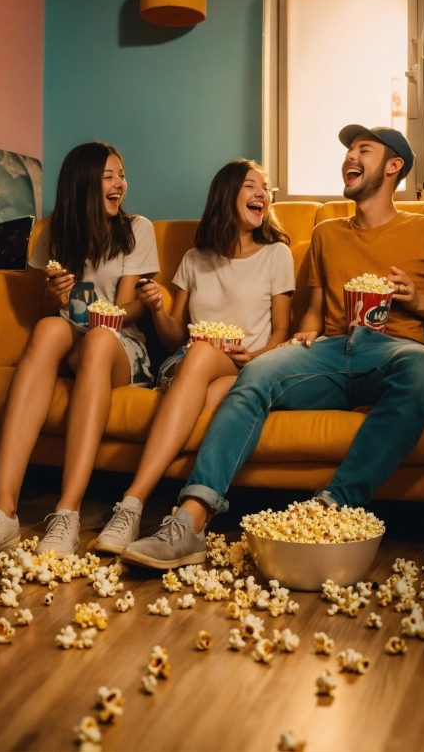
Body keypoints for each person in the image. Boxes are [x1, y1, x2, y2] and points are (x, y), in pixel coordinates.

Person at [121, 125, 424, 570]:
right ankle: (189, 522)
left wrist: (417, 300)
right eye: (348, 151)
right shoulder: (328, 233)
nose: (350, 157)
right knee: (255, 377)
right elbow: (315, 310)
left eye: (364, 150)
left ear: (394, 166)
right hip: (328, 350)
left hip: (394, 351)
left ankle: (335, 507)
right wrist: (303, 333)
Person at [0, 141, 160, 565]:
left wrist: (104, 321)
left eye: (121, 175)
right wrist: (54, 295)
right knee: (48, 328)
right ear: (83, 183)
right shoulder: (54, 234)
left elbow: (129, 306)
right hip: (72, 336)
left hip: (118, 343)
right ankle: (2, 510)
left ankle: (66, 511)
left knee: (100, 339)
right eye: (108, 176)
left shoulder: (137, 228)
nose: (119, 183)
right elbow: (50, 312)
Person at [95, 158, 295, 556]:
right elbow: (174, 338)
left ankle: (133, 501)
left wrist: (253, 354)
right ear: (227, 194)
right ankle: (158, 512)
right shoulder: (194, 259)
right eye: (252, 185)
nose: (263, 194)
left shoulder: (277, 256)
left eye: (266, 188)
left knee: (220, 380)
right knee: (202, 357)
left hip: (246, 367)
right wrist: (156, 310)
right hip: (188, 362)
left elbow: (282, 333)